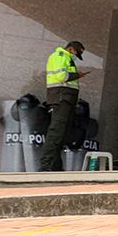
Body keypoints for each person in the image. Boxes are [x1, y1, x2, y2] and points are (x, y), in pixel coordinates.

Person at [39, 41, 88, 171]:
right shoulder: (59, 56)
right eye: (76, 54)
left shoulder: (66, 58)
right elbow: (62, 76)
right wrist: (78, 75)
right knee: (56, 131)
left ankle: (55, 166)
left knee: (62, 134)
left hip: (67, 99)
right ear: (71, 49)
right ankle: (46, 165)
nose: (75, 57)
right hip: (61, 98)